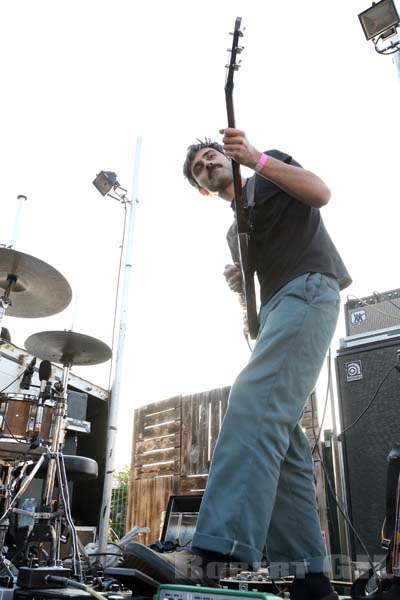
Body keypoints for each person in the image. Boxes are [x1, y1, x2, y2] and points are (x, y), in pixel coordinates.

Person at [124, 128, 352, 600]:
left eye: (211, 158)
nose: (208, 166)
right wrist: (241, 282)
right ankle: (309, 578)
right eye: (200, 170)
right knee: (284, 438)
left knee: (252, 399)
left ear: (229, 159)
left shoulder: (269, 173)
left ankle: (217, 549)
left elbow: (321, 193)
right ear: (204, 190)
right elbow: (252, 312)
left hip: (308, 291)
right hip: (275, 314)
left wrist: (255, 156)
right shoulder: (235, 231)